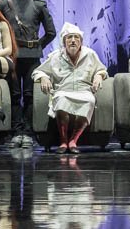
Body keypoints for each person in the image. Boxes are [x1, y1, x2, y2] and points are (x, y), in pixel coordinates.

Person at [0, 0, 56, 149]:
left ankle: (28, 133)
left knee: (30, 95)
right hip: (13, 56)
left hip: (32, 57)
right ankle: (16, 132)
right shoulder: (4, 4)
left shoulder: (38, 5)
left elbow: (51, 32)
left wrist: (37, 45)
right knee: (15, 95)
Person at [33, 22, 108, 154]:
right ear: (64, 42)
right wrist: (43, 77)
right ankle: (63, 140)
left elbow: (102, 70)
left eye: (76, 37)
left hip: (84, 91)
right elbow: (37, 71)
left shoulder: (90, 54)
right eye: (69, 37)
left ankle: (73, 140)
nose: (73, 40)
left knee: (90, 100)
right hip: (63, 91)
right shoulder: (55, 56)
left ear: (81, 41)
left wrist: (99, 75)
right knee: (60, 99)